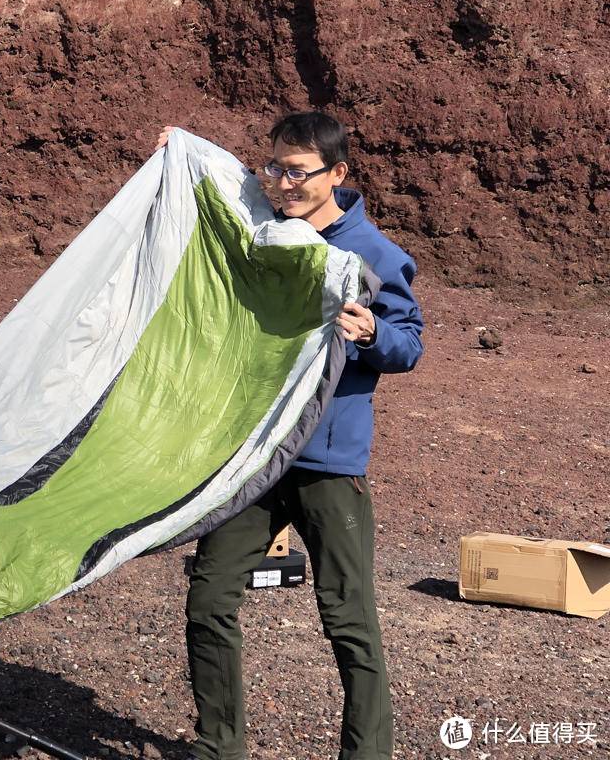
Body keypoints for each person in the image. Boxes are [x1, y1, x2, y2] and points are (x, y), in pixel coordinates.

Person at [158, 113, 424, 760]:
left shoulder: (376, 256)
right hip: (253, 457)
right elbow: (219, 196)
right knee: (210, 599)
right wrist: (180, 155)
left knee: (349, 621)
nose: (282, 183)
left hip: (328, 464)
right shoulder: (266, 232)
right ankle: (219, 746)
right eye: (273, 168)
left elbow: (409, 345)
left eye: (297, 172)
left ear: (337, 174)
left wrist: (372, 337)